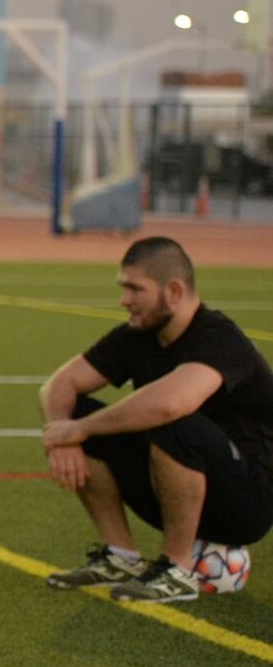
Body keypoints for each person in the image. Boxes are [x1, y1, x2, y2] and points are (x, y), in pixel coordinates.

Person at [39, 236, 273, 603]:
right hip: (171, 489)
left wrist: (78, 430)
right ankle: (120, 557)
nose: (124, 300)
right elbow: (59, 385)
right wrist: (63, 434)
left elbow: (170, 404)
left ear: (174, 291)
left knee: (173, 421)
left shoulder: (219, 338)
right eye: (123, 287)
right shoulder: (137, 336)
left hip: (246, 502)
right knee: (77, 409)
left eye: (135, 289)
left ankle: (177, 570)